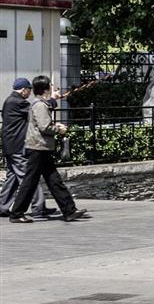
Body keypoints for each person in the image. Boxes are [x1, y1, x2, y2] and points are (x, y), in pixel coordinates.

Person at [7, 75, 89, 223]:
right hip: (37, 147)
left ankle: (69, 210)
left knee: (54, 180)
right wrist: (59, 129)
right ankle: (17, 213)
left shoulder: (40, 103)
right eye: (50, 86)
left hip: (41, 147)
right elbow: (44, 126)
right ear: (46, 89)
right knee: (30, 181)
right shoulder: (39, 105)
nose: (52, 87)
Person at [1, 78, 57, 219]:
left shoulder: (9, 101)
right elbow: (37, 109)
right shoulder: (18, 102)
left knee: (12, 177)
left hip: (10, 145)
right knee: (29, 177)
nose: (30, 93)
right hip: (18, 145)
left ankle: (2, 206)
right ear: (24, 89)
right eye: (29, 90)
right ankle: (38, 208)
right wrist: (52, 99)